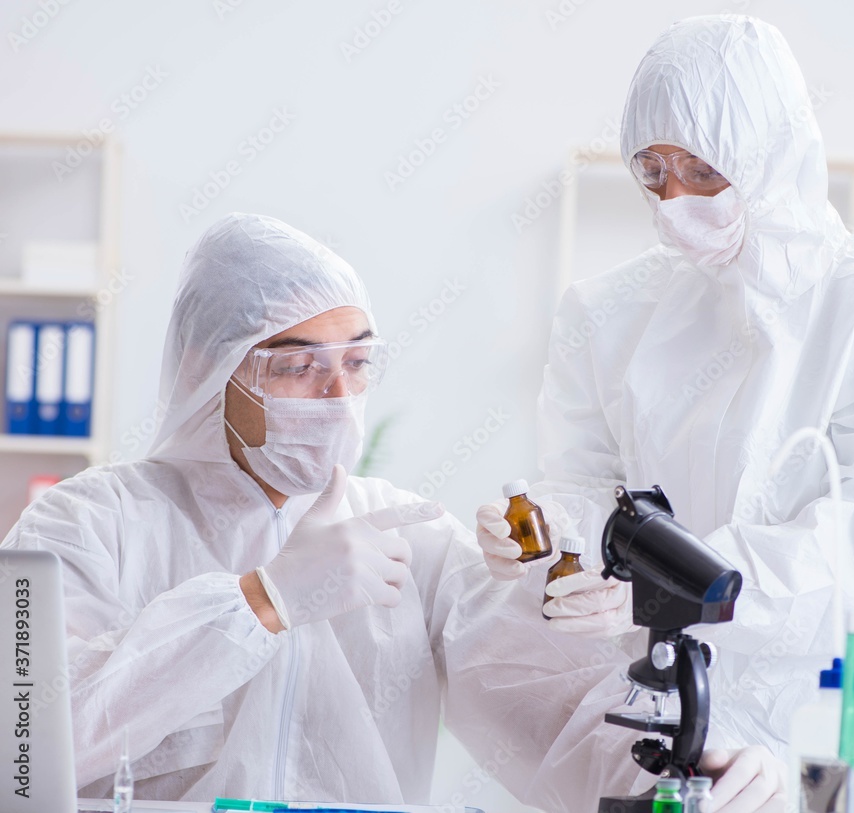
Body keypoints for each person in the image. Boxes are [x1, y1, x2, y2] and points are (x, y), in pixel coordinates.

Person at [4, 212, 779, 812]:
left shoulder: (410, 537)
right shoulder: (87, 525)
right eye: (298, 365)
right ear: (210, 368)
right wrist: (260, 601)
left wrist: (698, 764)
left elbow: (558, 711)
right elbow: (26, 743)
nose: (338, 395)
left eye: (356, 361)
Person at [476, 13, 854, 761]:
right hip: (659, 705)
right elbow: (588, 486)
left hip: (824, 726)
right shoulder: (609, 312)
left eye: (704, 170)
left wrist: (683, 588)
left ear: (772, 154)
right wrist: (545, 536)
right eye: (653, 171)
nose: (674, 199)